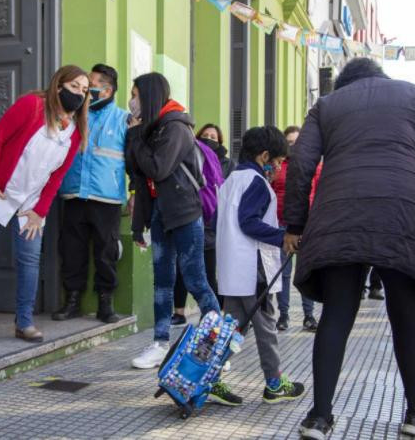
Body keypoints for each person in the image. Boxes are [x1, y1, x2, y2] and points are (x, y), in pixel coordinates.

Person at [283, 58, 415, 439]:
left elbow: (301, 164)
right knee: (406, 316)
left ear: (343, 83)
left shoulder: (327, 105)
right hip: (402, 213)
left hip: (338, 214)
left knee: (337, 314)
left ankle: (320, 416)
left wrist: (295, 223)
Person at [0, 65, 90, 342]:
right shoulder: (32, 106)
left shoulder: (74, 132)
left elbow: (57, 176)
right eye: (74, 87)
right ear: (58, 85)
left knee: (29, 259)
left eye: (84, 91)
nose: (79, 94)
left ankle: (24, 322)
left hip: (31, 203)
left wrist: (40, 211)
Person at [126, 73, 235, 408]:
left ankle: (218, 345)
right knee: (162, 282)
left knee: (196, 280)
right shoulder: (148, 128)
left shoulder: (176, 126)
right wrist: (138, 225)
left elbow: (157, 168)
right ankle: (160, 343)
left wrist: (134, 136)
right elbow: (138, 178)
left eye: (134, 95)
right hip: (160, 215)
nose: (131, 101)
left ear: (149, 95)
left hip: (186, 214)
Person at [216, 125, 305, 405]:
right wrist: (284, 236)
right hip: (253, 271)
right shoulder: (257, 182)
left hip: (232, 270)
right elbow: (249, 222)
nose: (279, 168)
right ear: (265, 156)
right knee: (266, 326)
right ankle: (274, 384)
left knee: (232, 330)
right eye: (278, 162)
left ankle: (208, 377)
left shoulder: (231, 179)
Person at [54, 64, 129, 324]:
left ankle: (105, 303)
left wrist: (133, 194)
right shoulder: (74, 116)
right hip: (73, 193)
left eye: (92, 84)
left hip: (106, 197)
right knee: (71, 249)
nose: (87, 89)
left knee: (105, 251)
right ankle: (72, 301)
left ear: (106, 90)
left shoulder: (123, 119)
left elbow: (133, 160)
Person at [172, 124, 228, 326]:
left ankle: (212, 313)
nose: (208, 139)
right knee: (182, 268)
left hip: (212, 224)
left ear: (220, 142)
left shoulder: (226, 164)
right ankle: (179, 311)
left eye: (213, 136)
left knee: (208, 271)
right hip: (190, 217)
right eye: (205, 135)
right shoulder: (190, 155)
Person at [271, 125, 321, 332]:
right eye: (290, 142)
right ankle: (283, 315)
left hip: (309, 224)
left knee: (306, 271)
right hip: (284, 224)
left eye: (297, 142)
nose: (294, 146)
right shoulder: (278, 167)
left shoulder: (316, 167)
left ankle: (309, 316)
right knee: (283, 272)